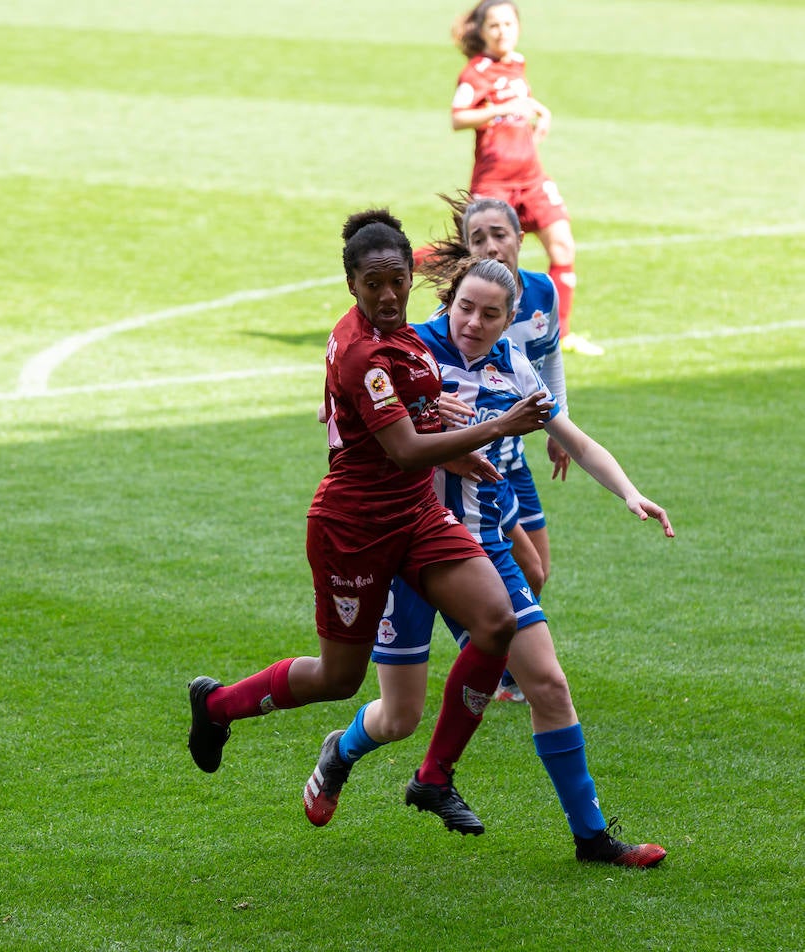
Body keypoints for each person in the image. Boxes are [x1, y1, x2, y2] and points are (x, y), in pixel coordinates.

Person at [301, 256, 672, 866]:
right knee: (398, 717)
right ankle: (340, 754)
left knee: (549, 685)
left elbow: (575, 440)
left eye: (489, 313)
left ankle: (593, 839)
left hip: (481, 551)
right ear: (448, 302)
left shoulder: (516, 370)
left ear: (510, 320)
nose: (472, 322)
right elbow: (347, 410)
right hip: (403, 547)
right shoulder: (409, 348)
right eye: (464, 307)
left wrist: (630, 491)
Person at [187, 210, 553, 828]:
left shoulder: (397, 340)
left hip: (415, 512)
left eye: (397, 281)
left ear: (413, 276)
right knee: (339, 678)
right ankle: (218, 704)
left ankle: (435, 777)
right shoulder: (365, 355)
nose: (387, 296)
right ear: (351, 285)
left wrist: (444, 425)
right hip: (355, 527)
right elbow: (405, 448)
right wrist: (497, 427)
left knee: (497, 622)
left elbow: (408, 423)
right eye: (372, 285)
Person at [434, 191, 569, 702]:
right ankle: (493, 666)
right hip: (469, 464)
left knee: (538, 571)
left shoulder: (541, 295)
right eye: (478, 238)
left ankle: (500, 666)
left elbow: (550, 361)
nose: (491, 246)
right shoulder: (452, 316)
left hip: (512, 460)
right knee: (521, 571)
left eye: (500, 234)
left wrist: (561, 429)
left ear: (520, 238)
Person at [449, 0, 603, 356]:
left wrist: (539, 111)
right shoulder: (476, 71)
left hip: (532, 178)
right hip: (494, 181)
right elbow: (458, 117)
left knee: (563, 245)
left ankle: (560, 335)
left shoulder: (517, 63)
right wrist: (504, 108)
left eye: (508, 24)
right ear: (482, 31)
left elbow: (521, 100)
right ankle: (458, 320)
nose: (502, 31)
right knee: (474, 260)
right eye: (494, 26)